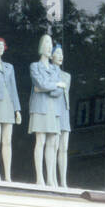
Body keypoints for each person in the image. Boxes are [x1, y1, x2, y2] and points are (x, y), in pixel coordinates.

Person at [28, 33, 66, 187]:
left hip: (53, 109)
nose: (50, 47)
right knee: (40, 141)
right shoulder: (34, 66)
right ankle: (40, 178)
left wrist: (47, 87)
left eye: (51, 44)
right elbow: (40, 83)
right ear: (41, 46)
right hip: (40, 107)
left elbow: (58, 91)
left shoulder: (55, 69)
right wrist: (55, 85)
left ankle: (50, 178)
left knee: (52, 143)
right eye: (47, 43)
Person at [0, 37, 21, 182]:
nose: (1, 47)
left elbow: (14, 89)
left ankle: (7, 175)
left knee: (7, 140)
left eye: (2, 45)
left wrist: (17, 110)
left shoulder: (9, 67)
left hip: (8, 104)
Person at [51, 43, 70, 189]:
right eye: (57, 53)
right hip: (54, 110)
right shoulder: (49, 72)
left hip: (64, 111)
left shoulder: (67, 76)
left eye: (61, 53)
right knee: (54, 145)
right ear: (51, 56)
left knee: (64, 147)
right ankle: (53, 180)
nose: (60, 56)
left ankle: (63, 180)